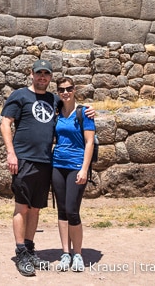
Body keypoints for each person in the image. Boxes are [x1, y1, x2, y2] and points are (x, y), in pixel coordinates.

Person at [0, 60, 94, 276]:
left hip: (45, 161)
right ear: (31, 74)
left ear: (50, 77)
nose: (42, 77)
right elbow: (5, 123)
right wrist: (11, 152)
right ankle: (21, 251)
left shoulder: (53, 99)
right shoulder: (20, 96)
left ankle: (30, 248)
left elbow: (72, 108)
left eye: (46, 74)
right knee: (22, 206)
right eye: (38, 73)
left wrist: (90, 109)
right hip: (24, 159)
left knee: (35, 208)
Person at [51, 76, 96, 273]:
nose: (65, 92)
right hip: (58, 165)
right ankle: (65, 253)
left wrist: (84, 169)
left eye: (69, 89)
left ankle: (77, 253)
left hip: (76, 165)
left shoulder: (84, 112)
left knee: (72, 210)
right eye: (61, 90)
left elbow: (89, 142)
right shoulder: (57, 112)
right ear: (58, 92)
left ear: (75, 89)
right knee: (61, 211)